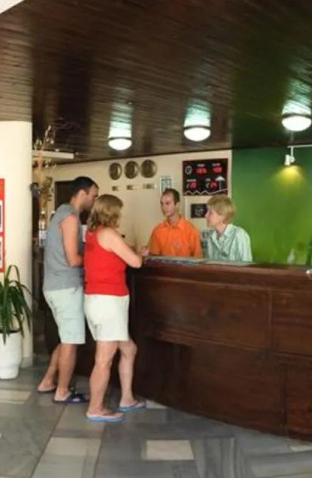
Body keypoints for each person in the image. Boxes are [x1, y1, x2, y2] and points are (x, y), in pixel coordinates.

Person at [37, 176, 98, 404]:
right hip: (66, 288)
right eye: (93, 196)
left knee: (66, 338)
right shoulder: (71, 218)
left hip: (55, 286)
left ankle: (48, 380)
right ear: (82, 194)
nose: (94, 201)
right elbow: (73, 259)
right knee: (71, 341)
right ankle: (62, 391)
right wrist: (97, 257)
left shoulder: (61, 213)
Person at [82, 194, 143, 422]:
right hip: (108, 303)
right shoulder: (109, 234)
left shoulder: (92, 233)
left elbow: (111, 254)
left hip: (96, 301)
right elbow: (135, 262)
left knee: (129, 349)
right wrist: (140, 253)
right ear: (113, 213)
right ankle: (95, 408)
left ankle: (127, 398)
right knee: (104, 360)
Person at [142, 188, 202, 258]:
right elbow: (153, 257)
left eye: (167, 203)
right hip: (163, 265)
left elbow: (198, 259)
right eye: (162, 204)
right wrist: (146, 253)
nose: (163, 207)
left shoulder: (191, 230)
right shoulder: (158, 230)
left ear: (177, 205)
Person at [203, 195, 252, 262]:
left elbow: (246, 265)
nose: (205, 215)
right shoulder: (210, 236)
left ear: (223, 215)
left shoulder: (239, 235)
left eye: (210, 213)